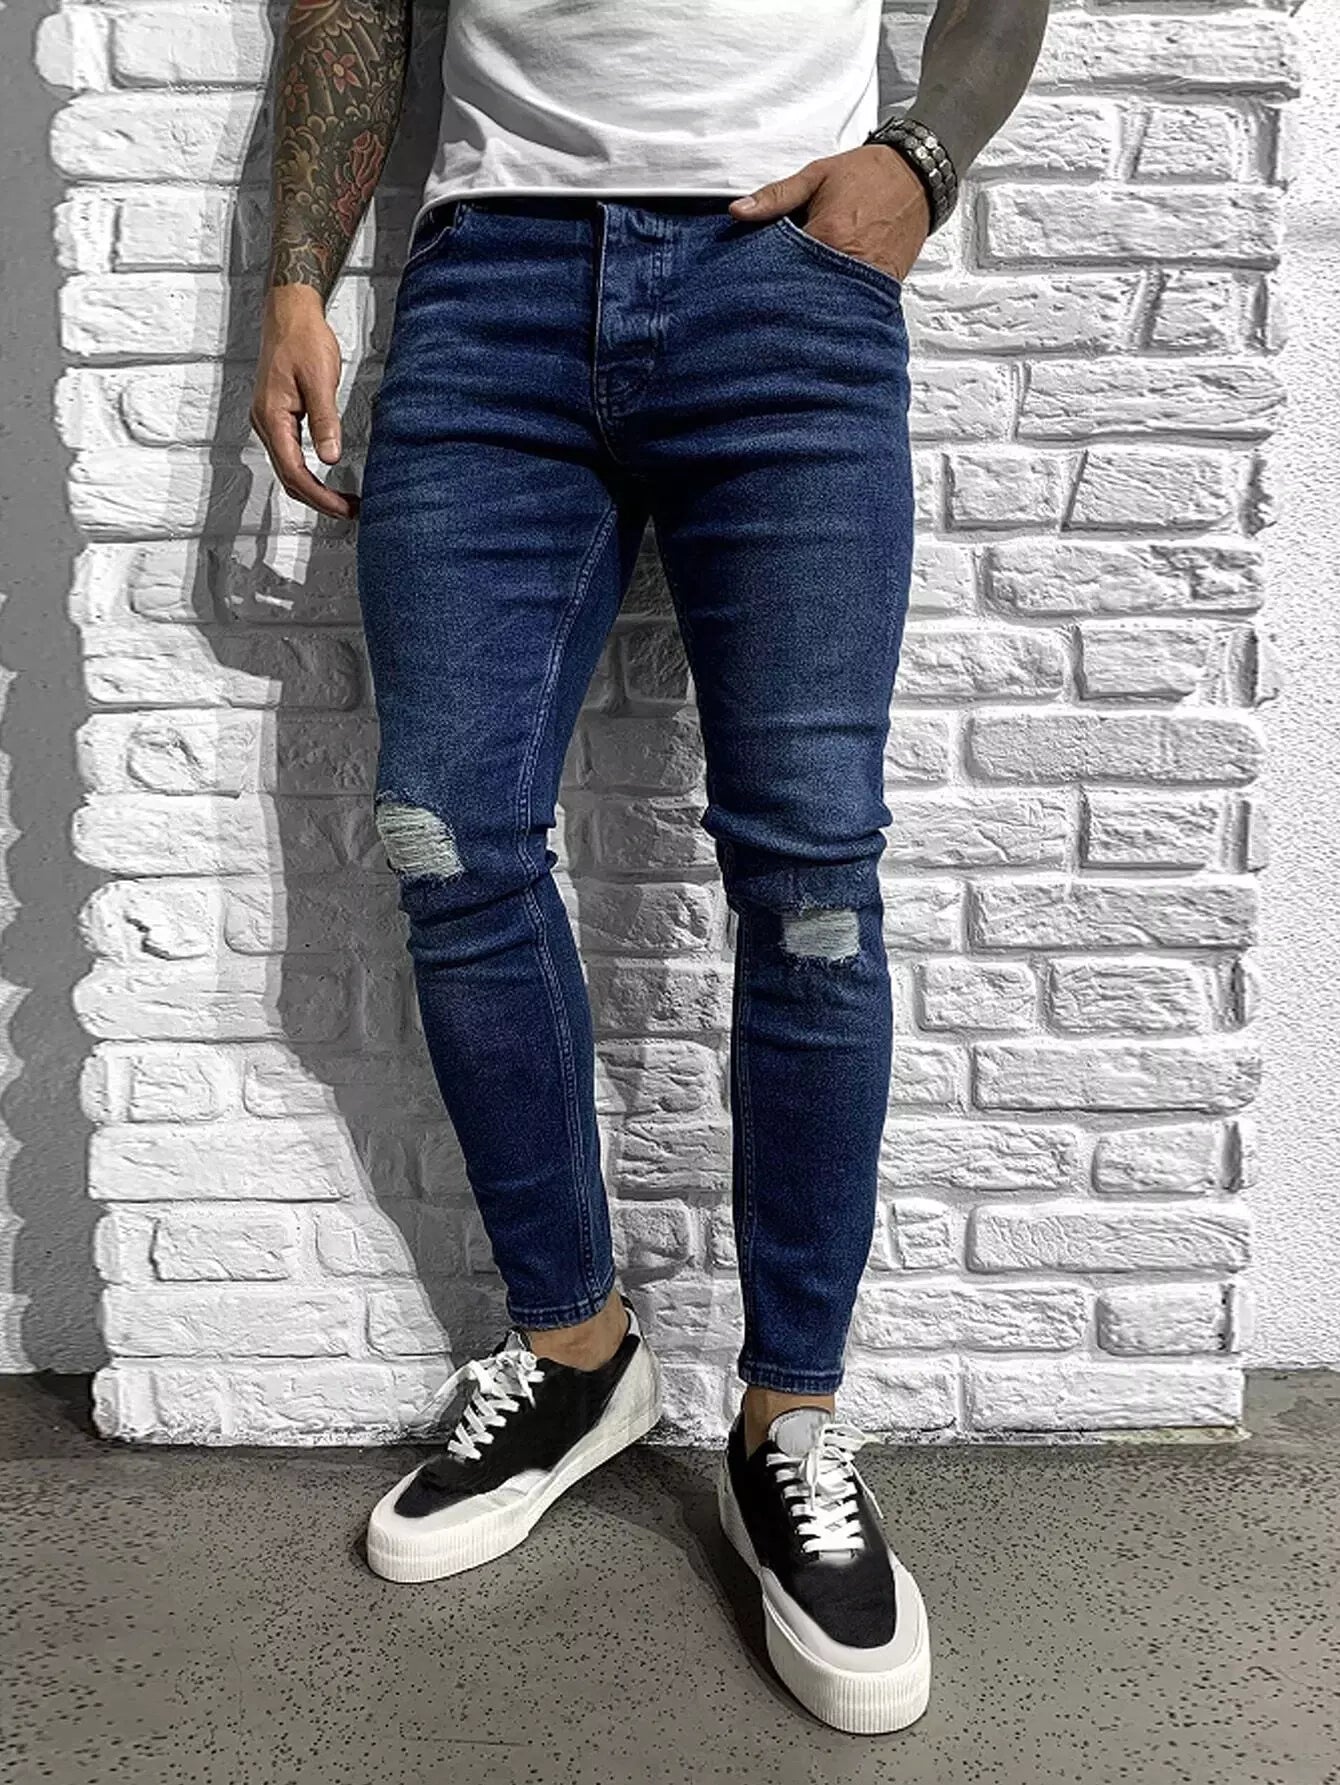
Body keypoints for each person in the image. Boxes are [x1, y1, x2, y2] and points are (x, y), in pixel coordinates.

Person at [250, 0, 1050, 1734]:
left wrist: (921, 161)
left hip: (791, 279)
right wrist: (297, 274)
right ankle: (577, 1352)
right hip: (491, 292)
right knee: (447, 831)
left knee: (811, 878)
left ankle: (792, 1421)